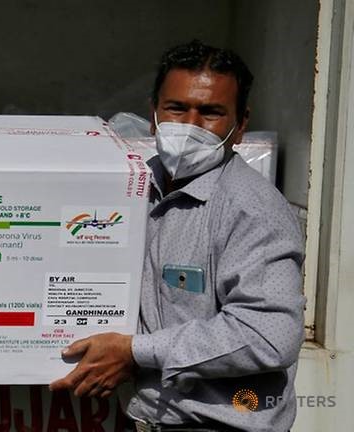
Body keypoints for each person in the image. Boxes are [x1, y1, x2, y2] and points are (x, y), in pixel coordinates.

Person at [51, 40, 305, 432]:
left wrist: (135, 352)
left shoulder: (252, 209)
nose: (190, 125)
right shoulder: (130, 189)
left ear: (240, 125)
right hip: (142, 420)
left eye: (210, 112)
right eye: (176, 108)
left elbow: (268, 335)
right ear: (154, 116)